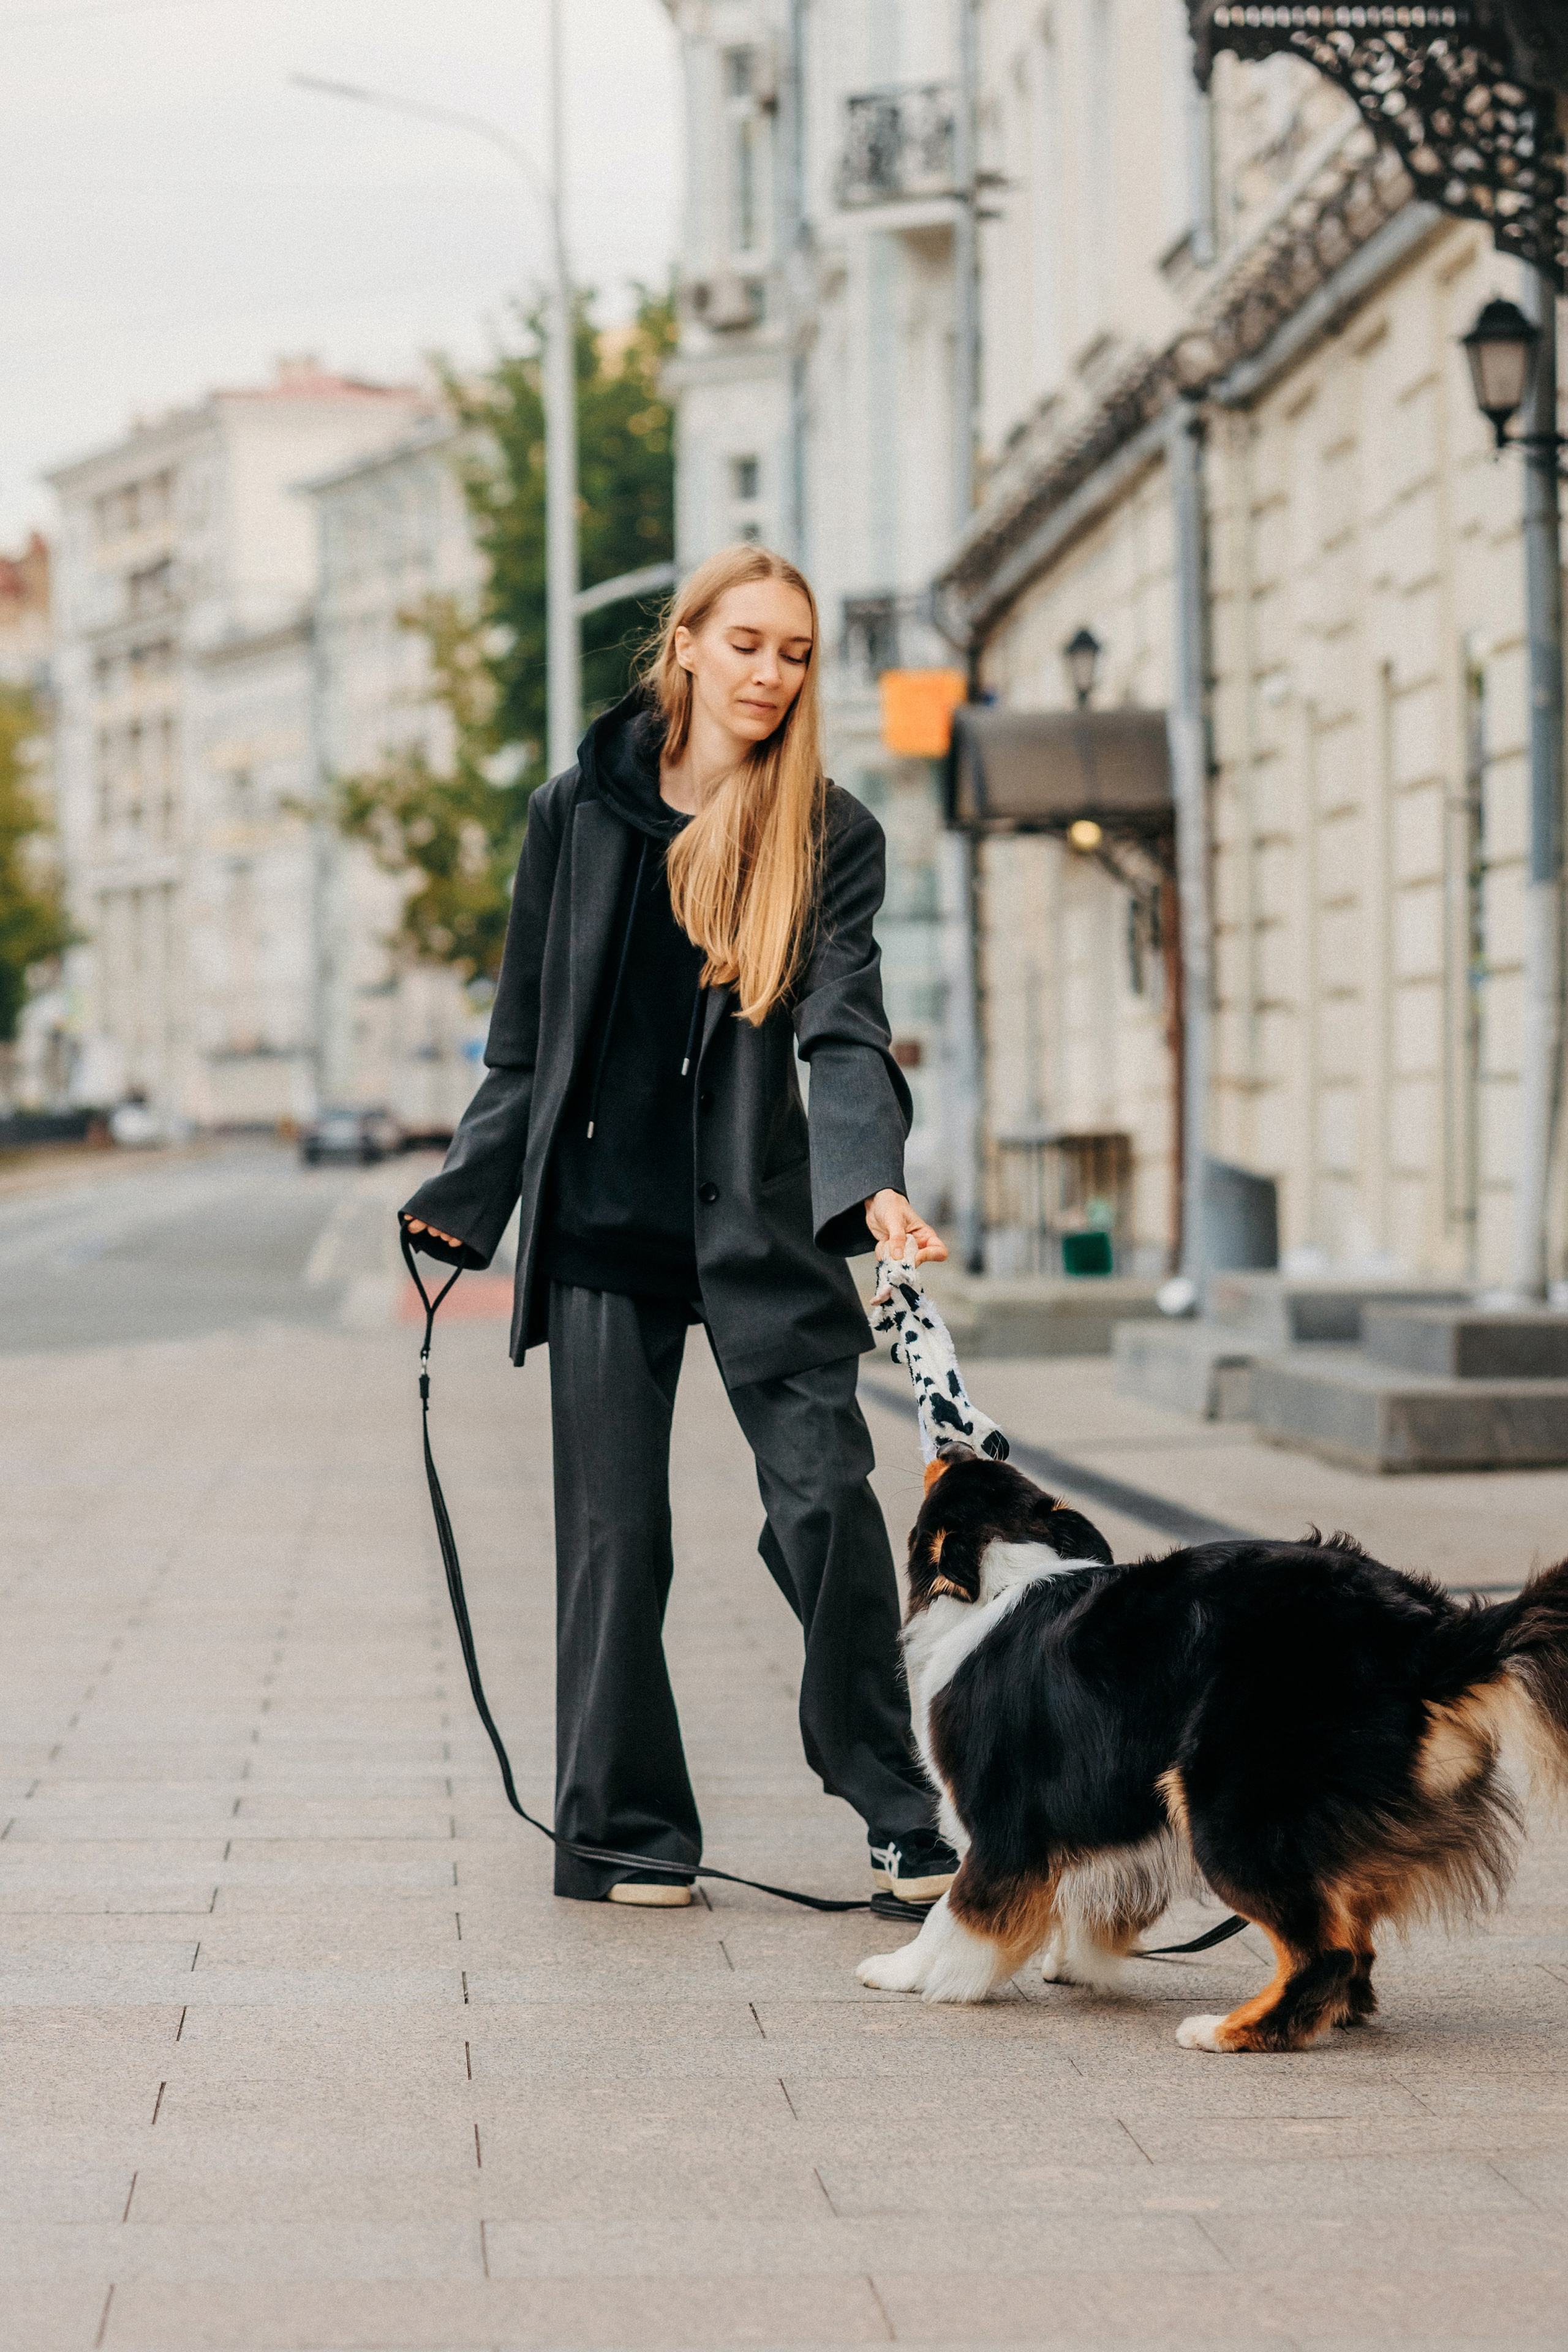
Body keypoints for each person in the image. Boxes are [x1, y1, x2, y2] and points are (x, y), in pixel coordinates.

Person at [401, 542, 958, 1910]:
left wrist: (872, 1182)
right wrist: (465, 1200)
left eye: (796, 652)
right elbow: (525, 1040)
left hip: (762, 1227)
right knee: (617, 1539)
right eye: (750, 642)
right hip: (601, 1225)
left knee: (825, 1501)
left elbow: (842, 1029)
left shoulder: (828, 835)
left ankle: (898, 1815)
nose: (772, 672)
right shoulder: (573, 814)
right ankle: (622, 1829)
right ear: (689, 646)